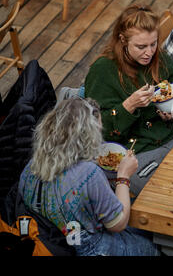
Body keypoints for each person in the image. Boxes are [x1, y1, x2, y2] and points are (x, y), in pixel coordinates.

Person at [18, 98, 160, 256]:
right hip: (88, 249)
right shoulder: (89, 173)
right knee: (153, 244)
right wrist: (123, 176)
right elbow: (118, 224)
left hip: (50, 240)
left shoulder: (30, 166)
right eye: (97, 131)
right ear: (86, 136)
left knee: (143, 221)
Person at [84, 4, 173, 195]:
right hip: (134, 154)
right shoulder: (103, 71)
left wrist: (172, 113)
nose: (149, 52)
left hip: (169, 139)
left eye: (153, 44)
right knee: (170, 194)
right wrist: (128, 106)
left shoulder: (159, 58)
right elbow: (97, 131)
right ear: (122, 40)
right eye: (141, 46)